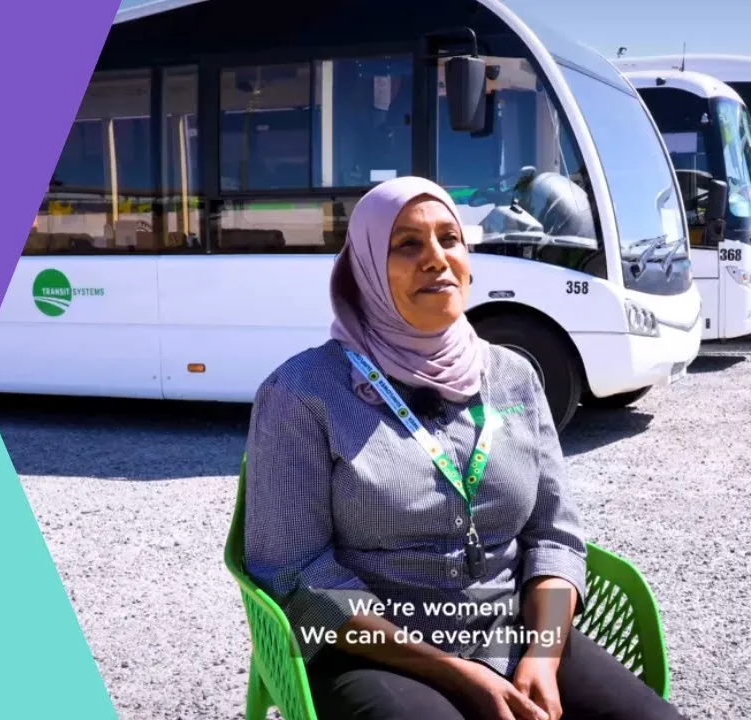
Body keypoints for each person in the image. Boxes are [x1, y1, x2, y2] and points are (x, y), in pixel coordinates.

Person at [242, 176, 684, 720]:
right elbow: (296, 575)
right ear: (364, 271)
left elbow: (553, 535)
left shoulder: (514, 377)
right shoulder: (302, 393)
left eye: (449, 239)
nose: (436, 258)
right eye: (407, 244)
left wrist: (542, 657)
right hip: (371, 648)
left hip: (510, 630)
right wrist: (455, 672)